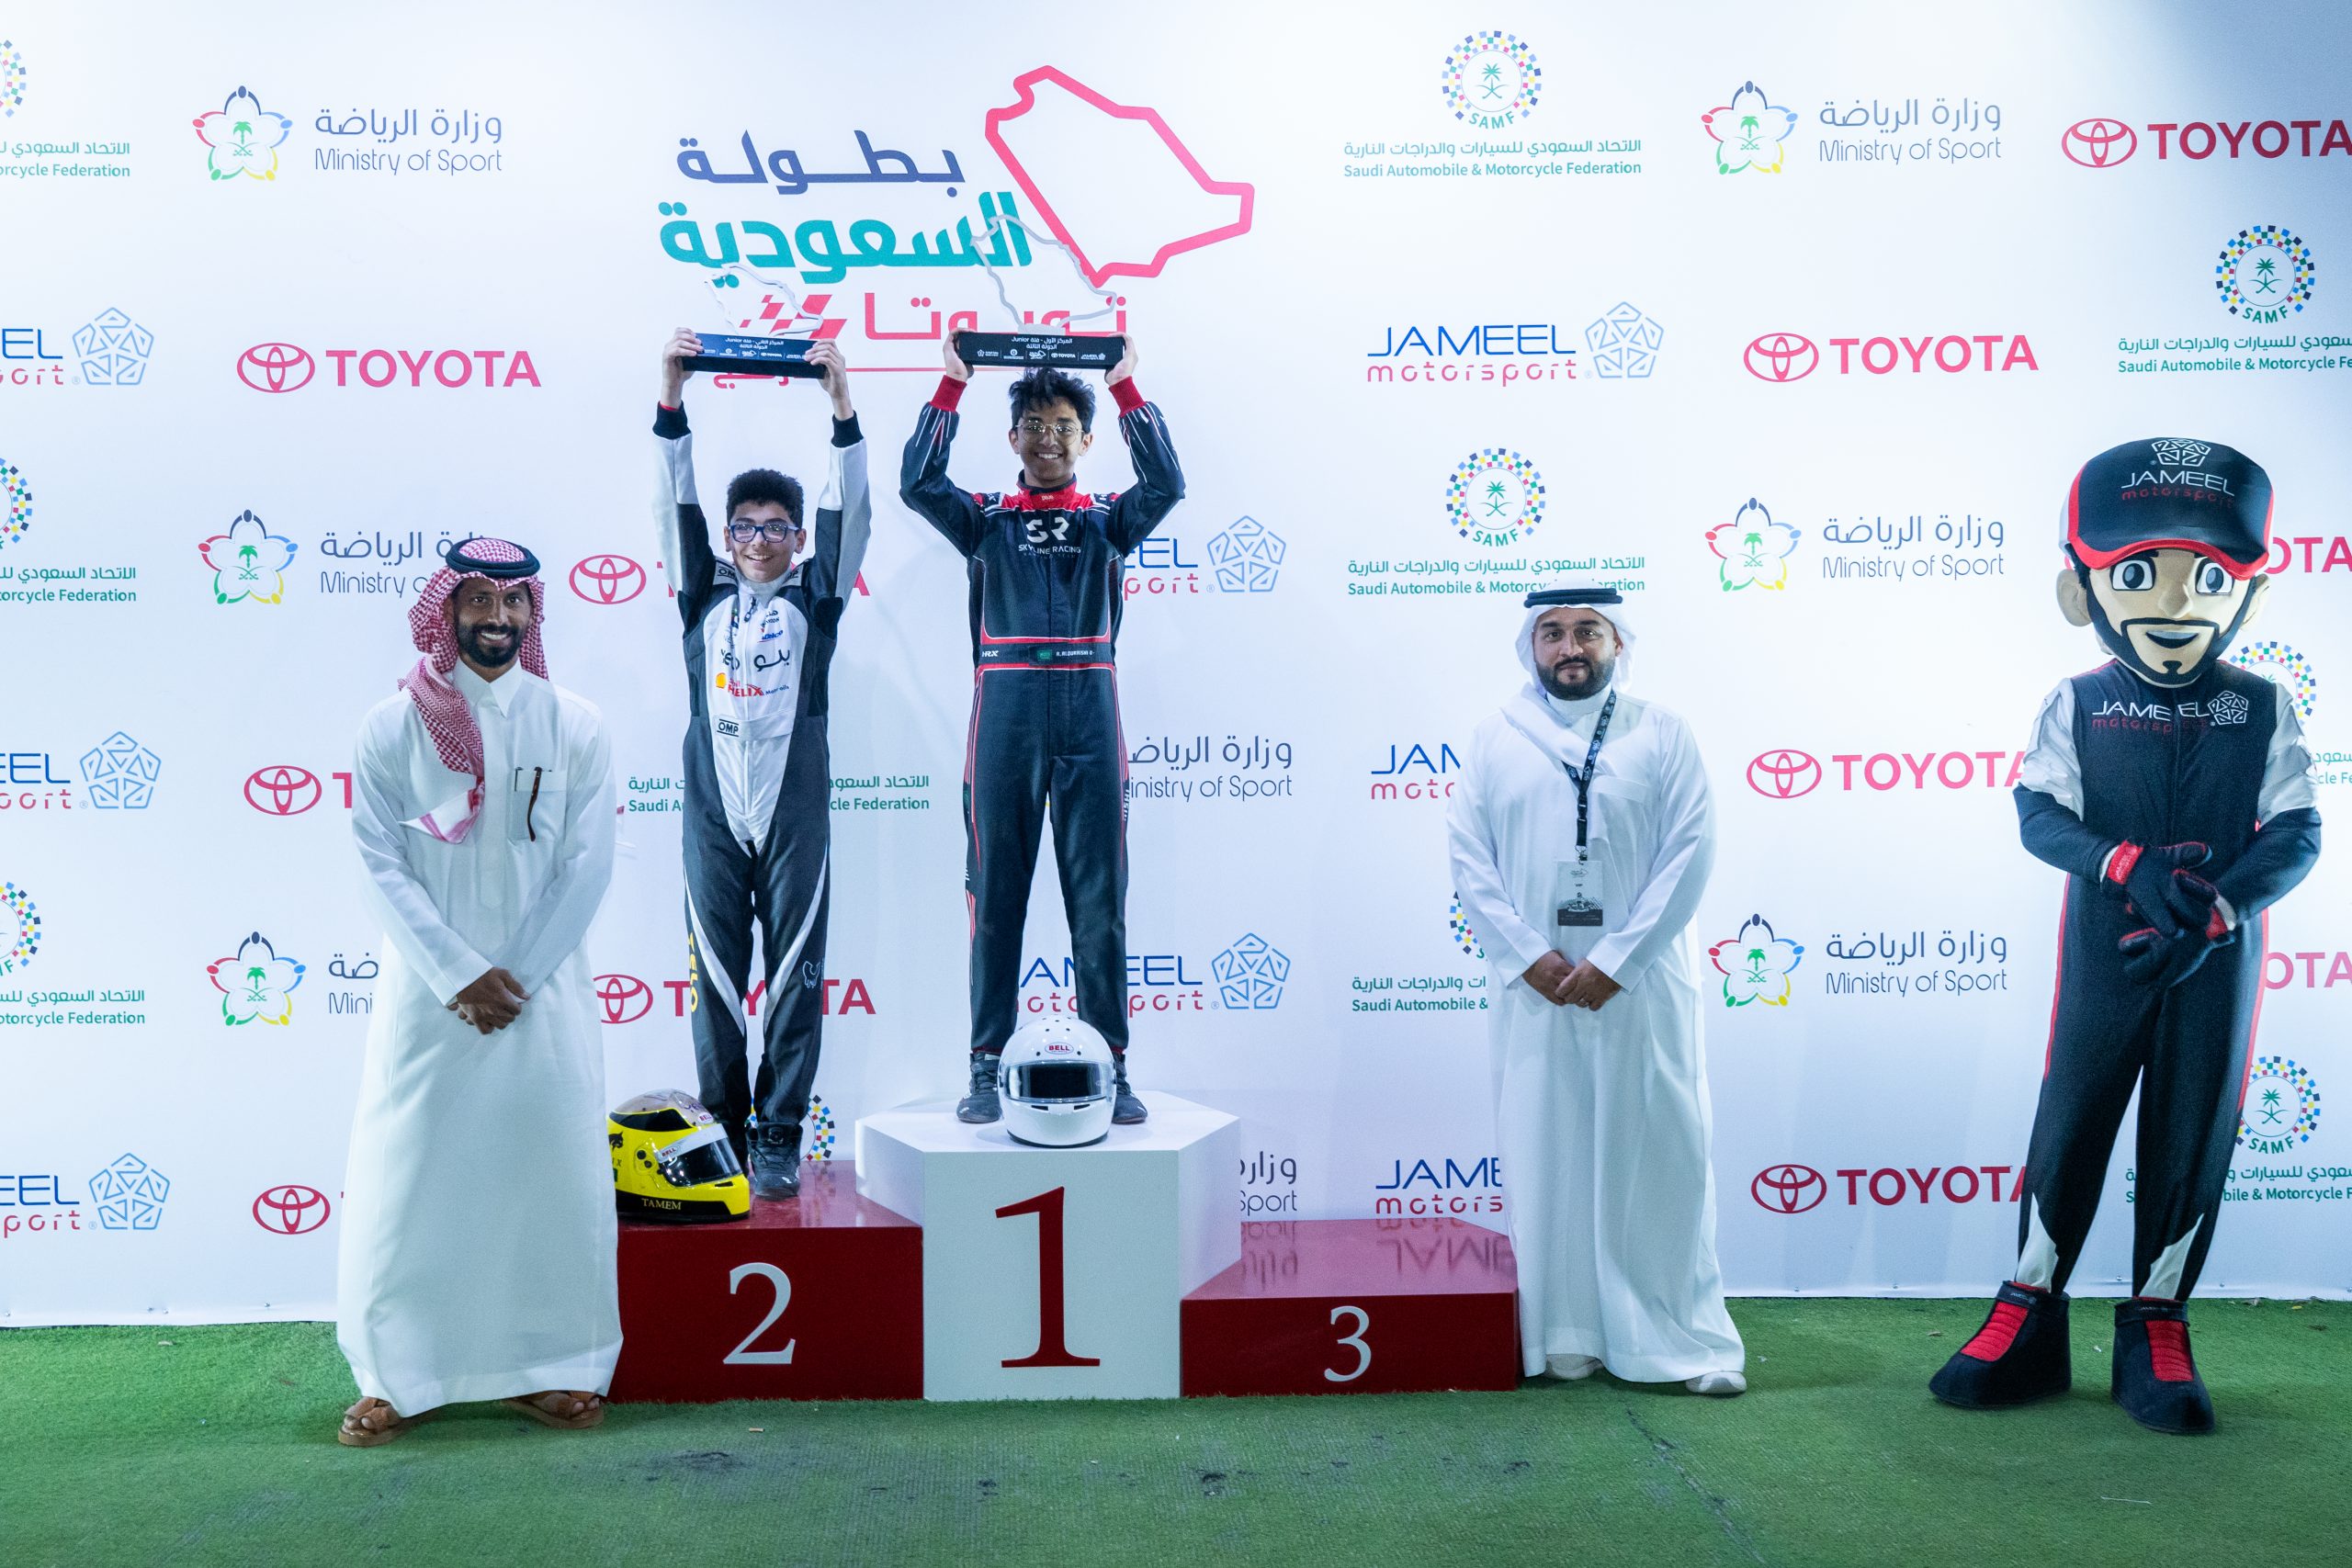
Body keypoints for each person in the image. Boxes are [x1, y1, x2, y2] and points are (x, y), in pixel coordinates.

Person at [1931, 437, 2320, 1434]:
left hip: (2217, 958)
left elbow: (2296, 832)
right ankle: (2028, 1309)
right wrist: (2126, 866)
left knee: (2193, 1124)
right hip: (2107, 948)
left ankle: (2157, 1323)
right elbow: (2037, 814)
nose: (2177, 601)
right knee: (2072, 1113)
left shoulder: (2263, 705)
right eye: (2139, 573)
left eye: (2210, 575)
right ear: (2082, 590)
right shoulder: (2079, 700)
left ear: (2250, 594)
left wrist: (2217, 913)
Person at [336, 537, 619, 1447]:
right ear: (447, 609)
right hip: (431, 999)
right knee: (408, 1182)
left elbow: (588, 863)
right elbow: (376, 861)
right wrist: (459, 973)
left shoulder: (575, 724)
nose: (497, 617)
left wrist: (516, 977)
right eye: (479, 600)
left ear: (534, 614)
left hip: (543, 995)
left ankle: (555, 1365)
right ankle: (397, 1376)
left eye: (514, 602)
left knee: (552, 1179)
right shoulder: (391, 727)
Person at [1446, 583, 1746, 1395]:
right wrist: (1528, 957)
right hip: (1535, 990)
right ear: (1531, 646)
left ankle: (1677, 1337)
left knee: (1659, 1152)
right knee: (1549, 1152)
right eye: (1553, 633)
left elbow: (1690, 850)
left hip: (1640, 986)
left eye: (1588, 631)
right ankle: (1567, 1332)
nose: (1570, 647)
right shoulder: (1494, 738)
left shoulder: (1663, 732)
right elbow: (1470, 859)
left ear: (1618, 643)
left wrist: (1618, 958)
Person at [899, 334, 1182, 1125]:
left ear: (1086, 440)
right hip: (1006, 712)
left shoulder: (1108, 521)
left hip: (1091, 706)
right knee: (995, 896)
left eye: (1063, 426)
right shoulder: (986, 520)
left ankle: (1112, 1065)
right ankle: (986, 1064)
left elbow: (1167, 482)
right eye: (1033, 424)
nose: (1047, 438)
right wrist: (951, 386)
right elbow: (918, 482)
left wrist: (1126, 389)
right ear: (1013, 436)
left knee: (1100, 900)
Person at [653, 331, 870, 1200]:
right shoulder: (700, 595)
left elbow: (850, 512)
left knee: (792, 975)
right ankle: (723, 1125)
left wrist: (842, 408)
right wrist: (672, 401)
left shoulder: (818, 598)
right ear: (728, 534)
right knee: (713, 974)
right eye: (745, 526)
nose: (758, 539)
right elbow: (672, 501)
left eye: (777, 527)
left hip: (793, 808)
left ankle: (778, 1131)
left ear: (796, 537)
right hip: (713, 808)